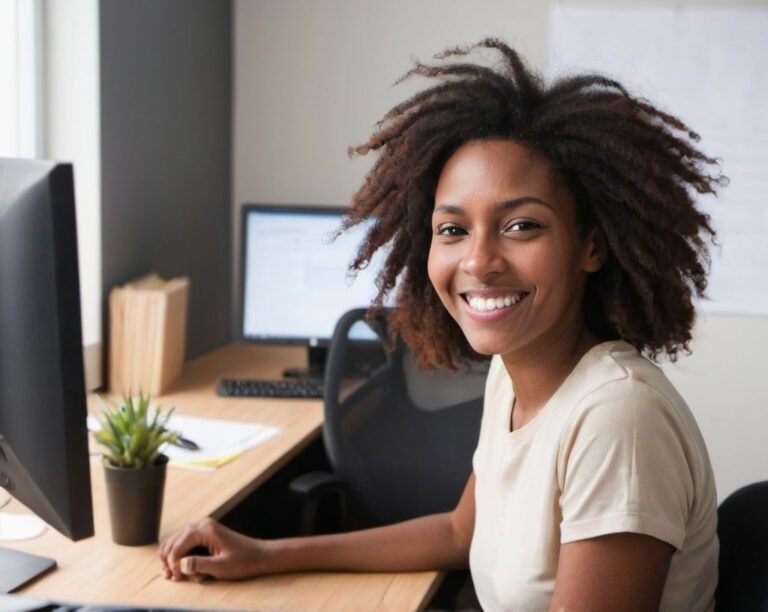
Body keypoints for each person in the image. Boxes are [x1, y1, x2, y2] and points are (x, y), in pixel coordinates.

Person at [160, 39, 725, 611]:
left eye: (522, 225)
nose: (478, 262)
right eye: (452, 230)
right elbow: (460, 533)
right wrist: (265, 552)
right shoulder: (514, 373)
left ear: (592, 246)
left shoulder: (617, 416)